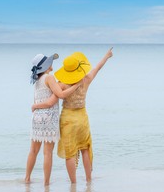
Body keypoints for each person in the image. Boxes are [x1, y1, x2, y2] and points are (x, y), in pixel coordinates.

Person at [36, 48, 114, 184]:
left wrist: (36, 105)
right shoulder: (87, 79)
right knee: (85, 149)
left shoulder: (62, 85)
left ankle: (73, 183)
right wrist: (107, 56)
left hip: (68, 119)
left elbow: (51, 100)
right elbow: (98, 68)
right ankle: (89, 180)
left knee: (70, 153)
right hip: (83, 117)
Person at [26, 53, 80, 186]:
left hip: (37, 118)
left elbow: (37, 100)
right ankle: (46, 183)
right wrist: (76, 86)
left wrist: (35, 106)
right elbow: (60, 95)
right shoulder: (49, 78)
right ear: (46, 66)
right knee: (47, 153)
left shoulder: (37, 80)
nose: (52, 64)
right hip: (49, 118)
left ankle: (27, 178)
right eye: (50, 62)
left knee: (33, 150)